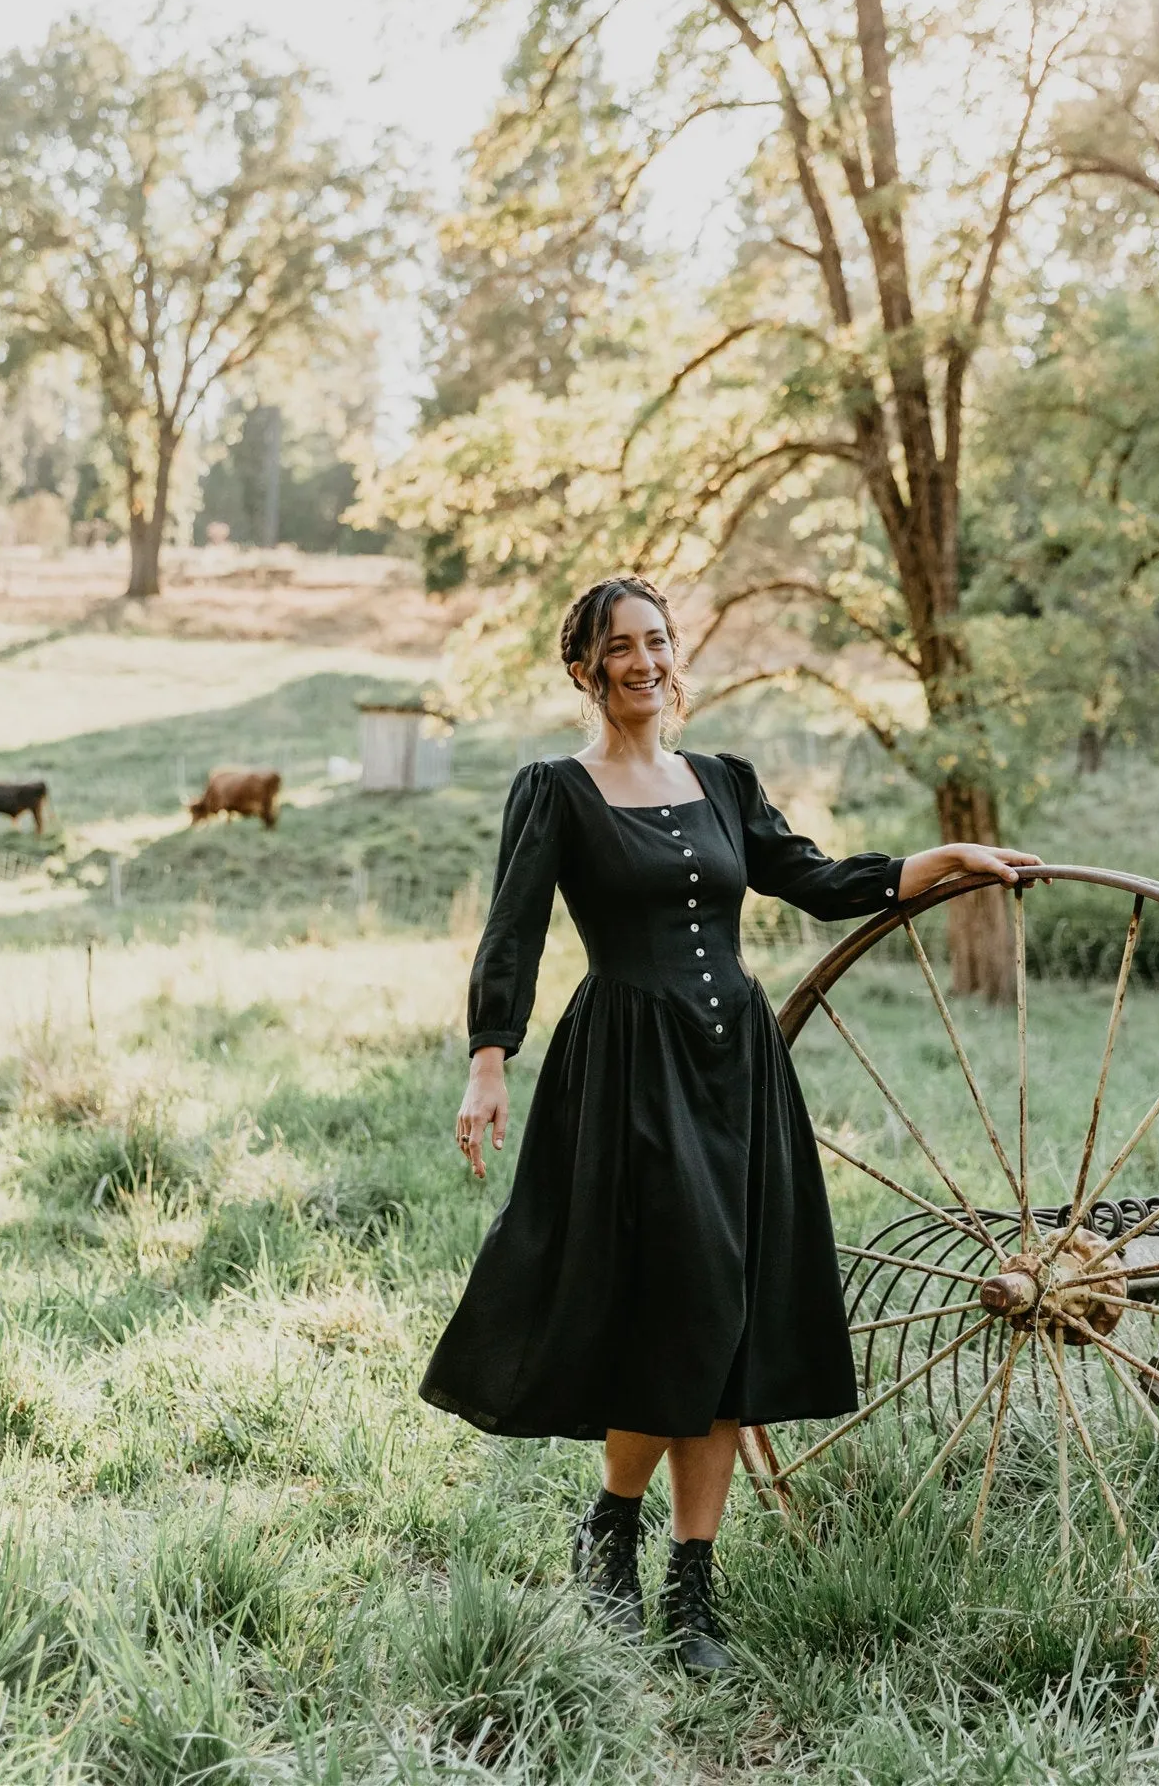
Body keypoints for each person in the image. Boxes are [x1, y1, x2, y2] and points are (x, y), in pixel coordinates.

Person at [419, 576, 1042, 1674]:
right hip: (631, 1070)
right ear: (585, 668)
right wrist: (487, 1062)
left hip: (736, 1067)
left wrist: (935, 863)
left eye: (658, 640)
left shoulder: (722, 780)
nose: (645, 661)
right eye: (621, 646)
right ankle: (613, 1524)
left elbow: (811, 878)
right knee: (684, 1298)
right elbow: (510, 930)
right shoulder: (556, 789)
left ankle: (690, 1585)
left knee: (733, 1309)